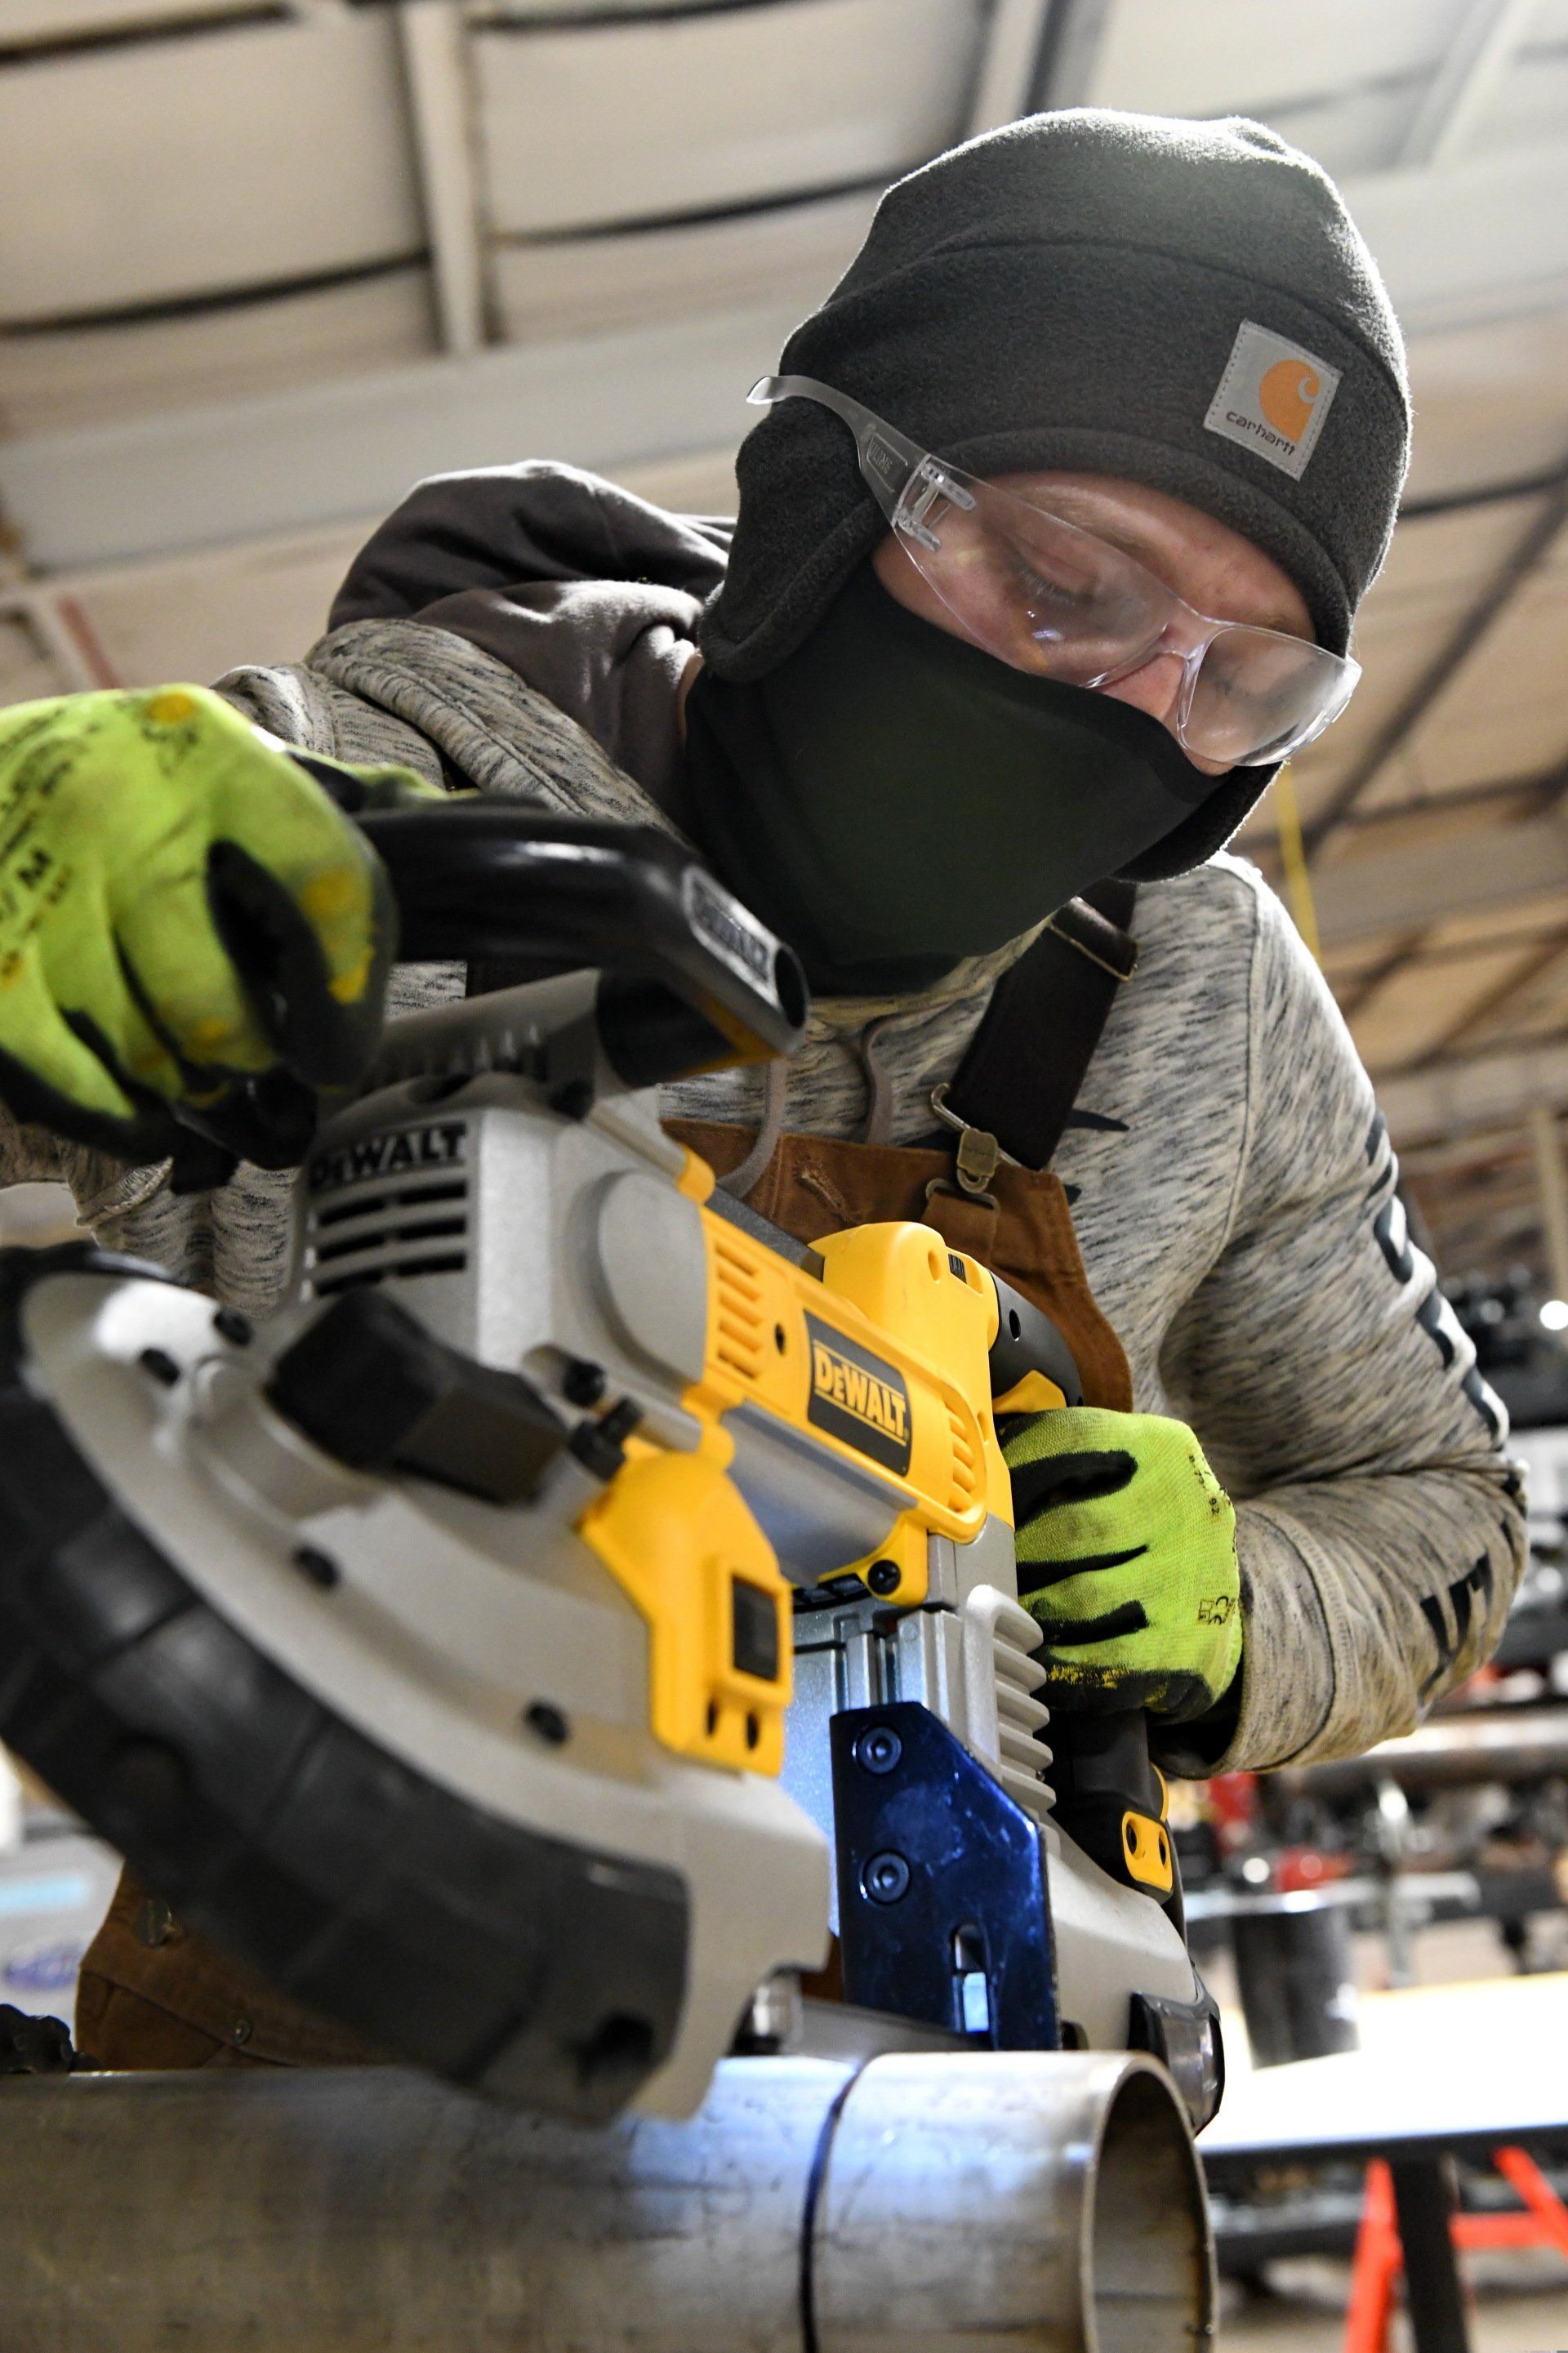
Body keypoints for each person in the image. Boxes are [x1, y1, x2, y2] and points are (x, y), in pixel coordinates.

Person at [0, 110, 1521, 2068]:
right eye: (1070, 582)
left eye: (1243, 689)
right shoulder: (382, 806)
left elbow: (1439, 1503)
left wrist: (1247, 1607)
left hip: (974, 2098)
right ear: (828, 500)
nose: (1142, 716)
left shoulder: (1202, 996)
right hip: (332, 2076)